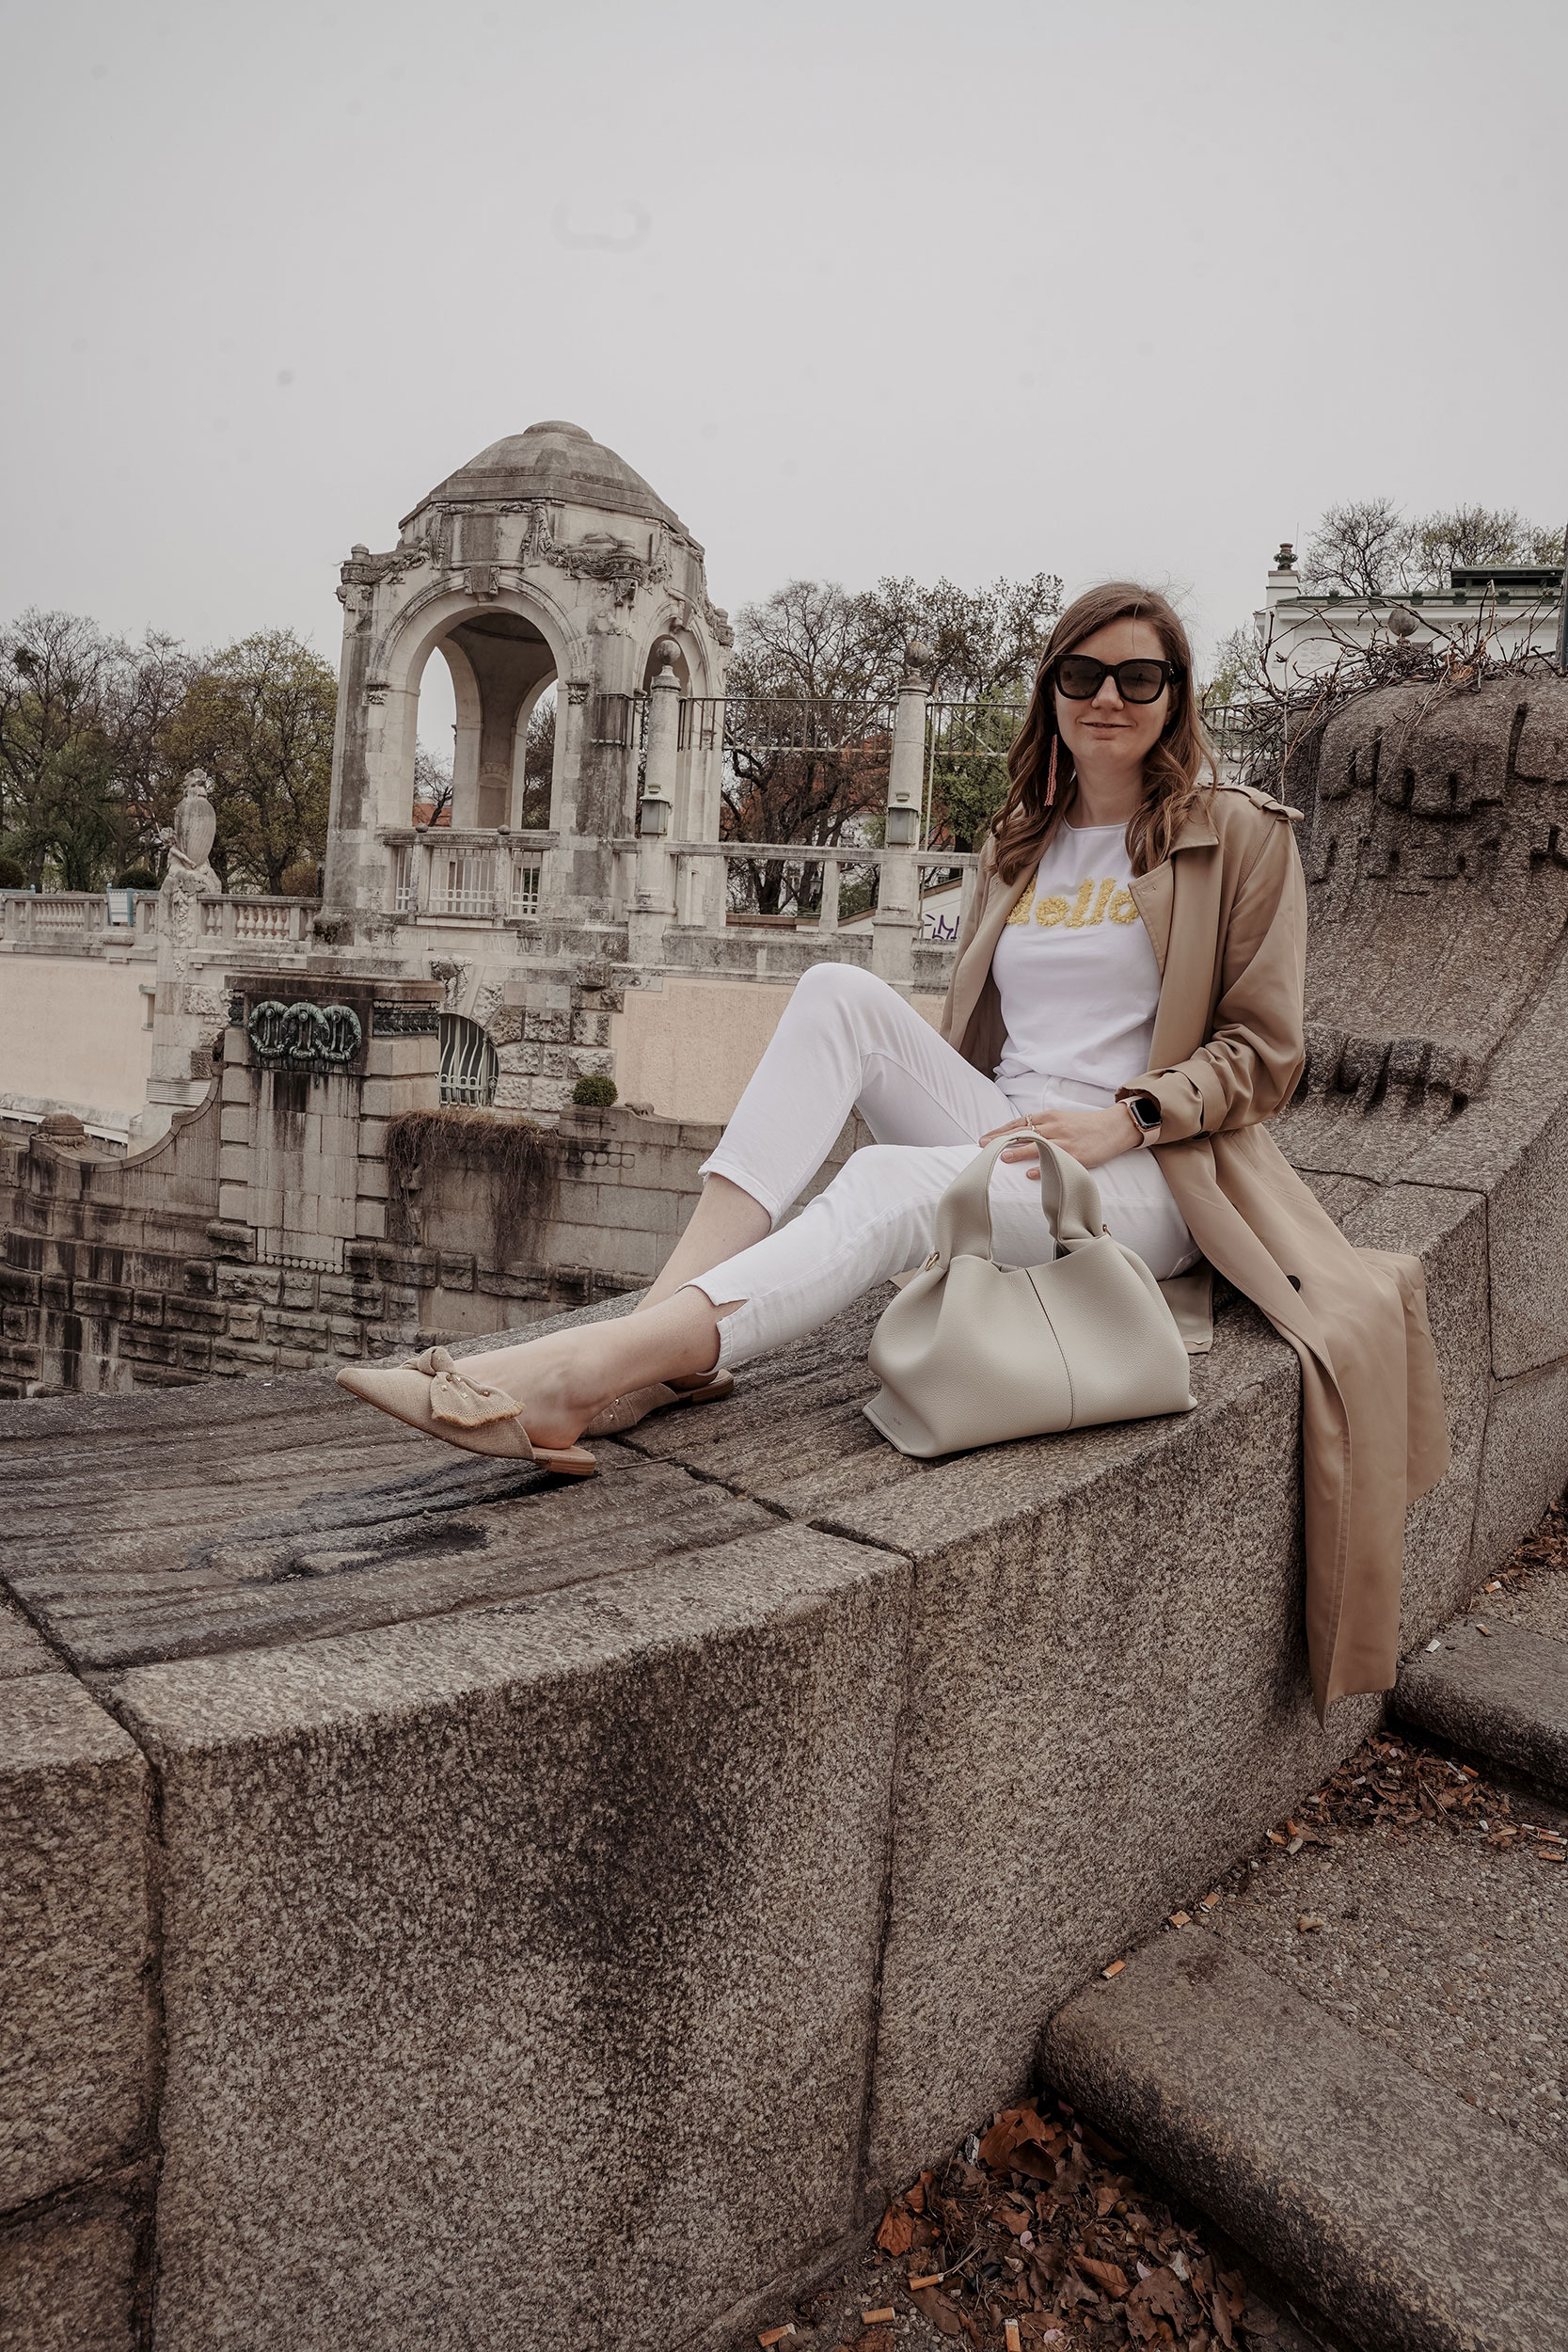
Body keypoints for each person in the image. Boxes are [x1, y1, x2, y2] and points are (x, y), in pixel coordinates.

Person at [339, 582, 1449, 1716]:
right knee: (834, 991)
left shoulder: (1237, 834)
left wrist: (1129, 1116)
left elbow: (1265, 1051)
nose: (1107, 698)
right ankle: (661, 1338)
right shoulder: (1019, 844)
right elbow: (984, 1045)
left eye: (1137, 677)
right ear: (1050, 694)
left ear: (1173, 696)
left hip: (1143, 1171)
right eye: (1080, 676)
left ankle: (576, 1377)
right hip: (1011, 1134)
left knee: (882, 1183)